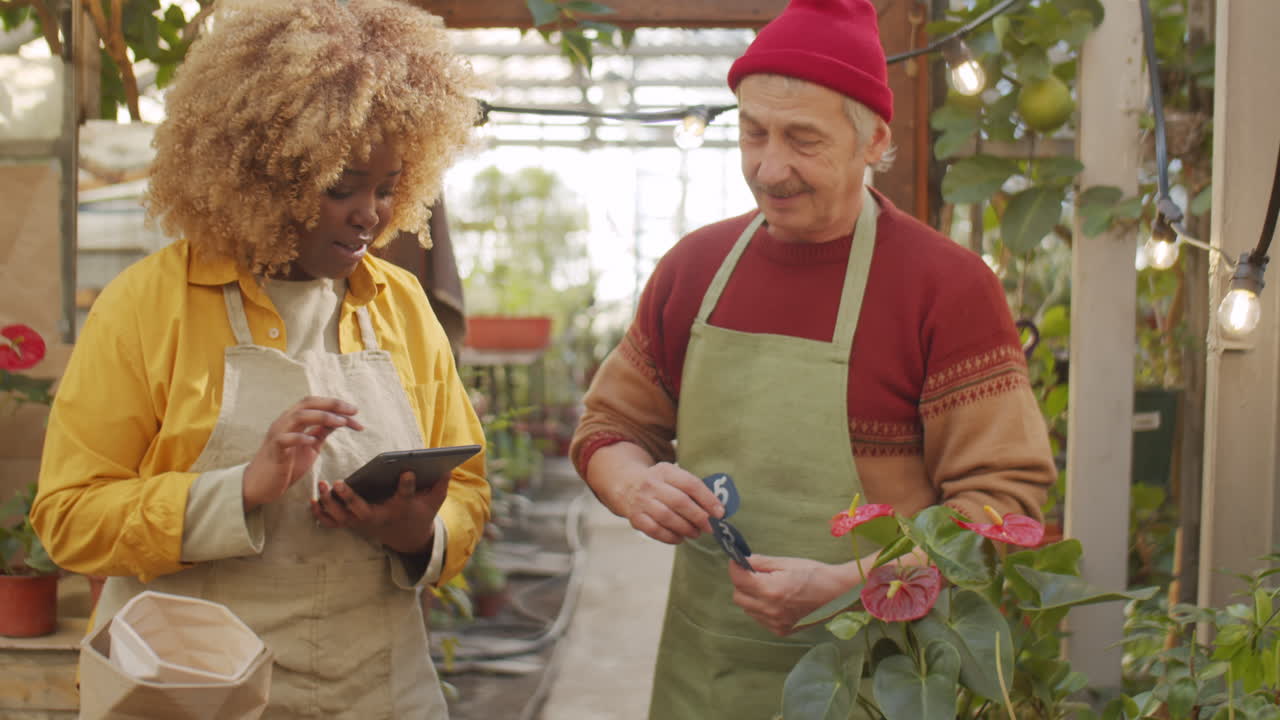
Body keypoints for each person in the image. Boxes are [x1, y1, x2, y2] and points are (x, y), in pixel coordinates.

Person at [570, 0, 1056, 717]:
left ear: (873, 139)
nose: (770, 168)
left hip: (879, 677)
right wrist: (634, 484)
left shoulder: (947, 288)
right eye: (752, 132)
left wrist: (857, 581)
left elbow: (1003, 505)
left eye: (803, 140)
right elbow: (608, 426)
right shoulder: (695, 268)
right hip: (706, 677)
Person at [31, 1, 488, 717]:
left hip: (375, 691)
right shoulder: (148, 305)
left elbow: (470, 491)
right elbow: (68, 519)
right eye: (342, 187)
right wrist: (237, 489)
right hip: (189, 689)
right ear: (262, 172)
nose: (370, 213)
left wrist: (417, 533)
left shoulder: (400, 307)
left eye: (388, 188)